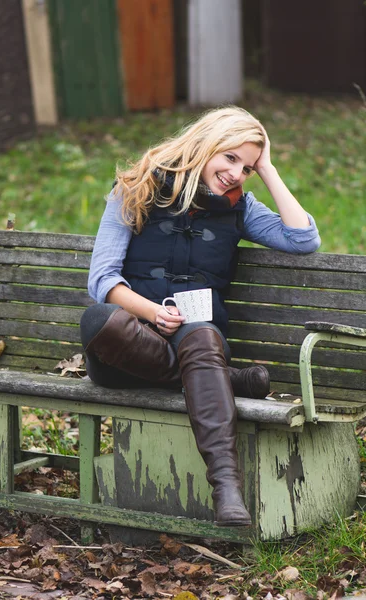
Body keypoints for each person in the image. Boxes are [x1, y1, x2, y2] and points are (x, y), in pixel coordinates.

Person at [80, 106, 321, 527]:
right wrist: (152, 311)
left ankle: (227, 489)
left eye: (246, 167)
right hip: (129, 345)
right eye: (230, 158)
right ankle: (224, 379)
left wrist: (266, 167)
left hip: (198, 336)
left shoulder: (240, 209)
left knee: (204, 341)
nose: (235, 173)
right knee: (100, 321)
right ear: (205, 145)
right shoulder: (136, 189)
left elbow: (303, 239)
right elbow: (102, 278)